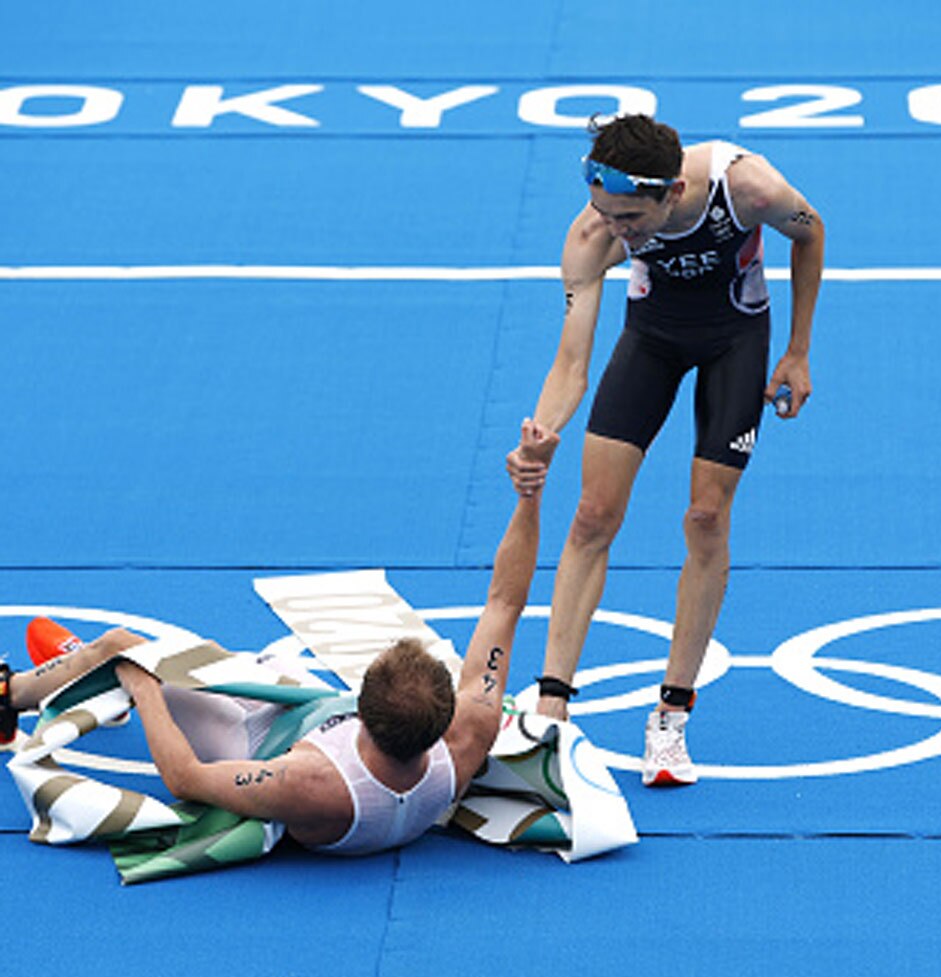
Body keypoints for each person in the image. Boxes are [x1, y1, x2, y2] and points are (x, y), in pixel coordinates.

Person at [3, 420, 559, 855]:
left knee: (125, 647)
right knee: (231, 664)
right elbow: (505, 603)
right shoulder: (467, 736)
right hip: (306, 716)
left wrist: (140, 683)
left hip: (254, 737)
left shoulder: (309, 783)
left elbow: (185, 778)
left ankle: (24, 694)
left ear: (361, 709)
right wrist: (529, 493)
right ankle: (98, 681)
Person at [506, 113, 824, 786]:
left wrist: (797, 352)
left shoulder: (748, 188)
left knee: (706, 518)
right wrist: (540, 434)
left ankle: (671, 719)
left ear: (671, 193)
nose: (614, 230)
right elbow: (571, 363)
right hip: (650, 341)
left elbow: (811, 231)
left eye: (629, 218)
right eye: (604, 213)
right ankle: (552, 710)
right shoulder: (592, 234)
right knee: (593, 514)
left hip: (735, 342)